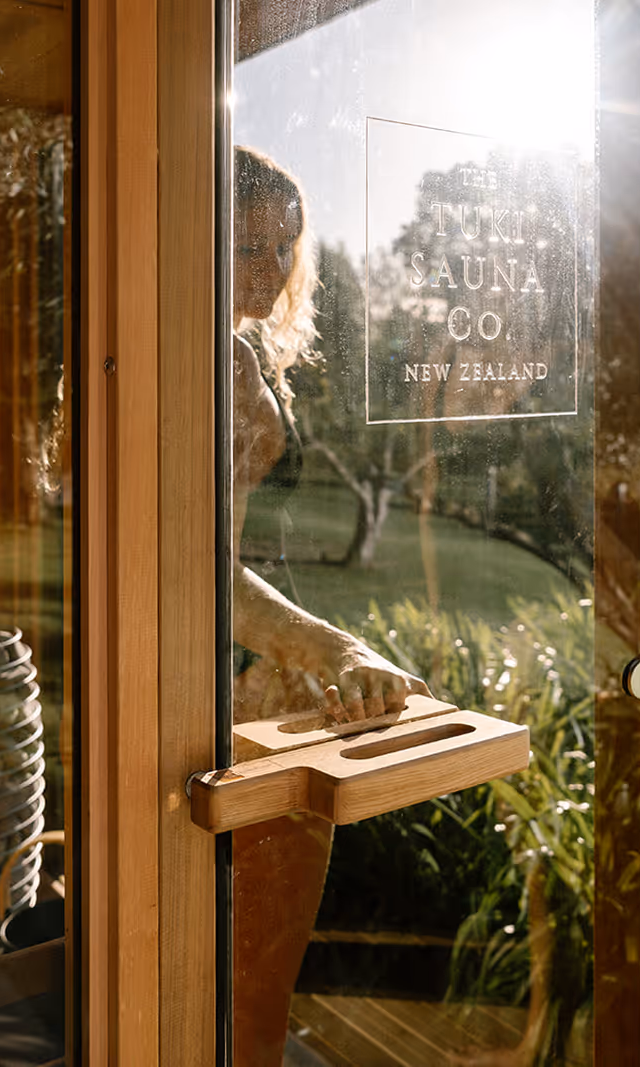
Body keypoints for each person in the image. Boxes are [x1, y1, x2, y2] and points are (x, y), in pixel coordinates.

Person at [229, 145, 431, 1066]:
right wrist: (331, 646)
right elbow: (188, 568)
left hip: (235, 641)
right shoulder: (174, 351)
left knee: (258, 928)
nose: (273, 270)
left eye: (286, 247)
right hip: (193, 651)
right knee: (254, 934)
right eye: (249, 244)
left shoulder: (228, 348)